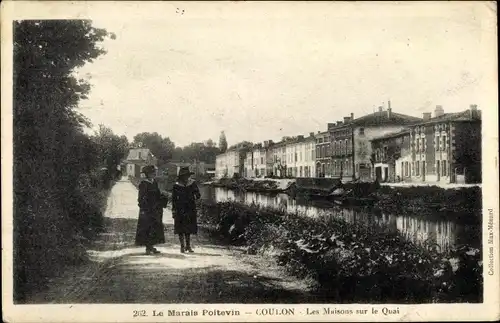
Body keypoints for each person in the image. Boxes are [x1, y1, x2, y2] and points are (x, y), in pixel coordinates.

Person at [135, 165, 168, 255]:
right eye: (151, 173)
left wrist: (163, 197)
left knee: (155, 227)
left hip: (156, 208)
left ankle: (151, 246)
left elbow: (157, 194)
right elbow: (141, 198)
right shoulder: (144, 184)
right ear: (147, 174)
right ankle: (147, 248)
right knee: (147, 227)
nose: (154, 174)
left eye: (154, 173)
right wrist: (144, 207)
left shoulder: (154, 182)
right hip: (147, 209)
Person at [171, 167, 201, 253]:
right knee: (180, 227)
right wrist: (174, 210)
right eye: (184, 176)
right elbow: (173, 199)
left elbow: (198, 195)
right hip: (179, 208)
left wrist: (195, 195)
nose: (186, 177)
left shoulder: (192, 183)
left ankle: (188, 246)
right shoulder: (176, 185)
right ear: (180, 176)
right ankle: (182, 246)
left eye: (187, 175)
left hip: (190, 208)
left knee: (188, 227)